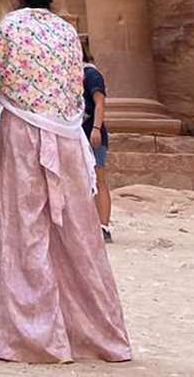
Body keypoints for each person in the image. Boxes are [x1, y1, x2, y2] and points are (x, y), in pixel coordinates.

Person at [0, 0, 131, 363]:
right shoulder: (67, 32)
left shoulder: (2, 28)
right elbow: (75, 86)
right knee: (79, 237)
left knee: (24, 231)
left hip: (21, 131)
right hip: (68, 137)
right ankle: (94, 334)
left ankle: (32, 338)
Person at [82, 39, 113, 241]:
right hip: (78, 134)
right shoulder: (74, 75)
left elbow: (99, 102)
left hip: (92, 133)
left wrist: (96, 128)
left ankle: (103, 226)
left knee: (98, 179)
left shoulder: (91, 74)